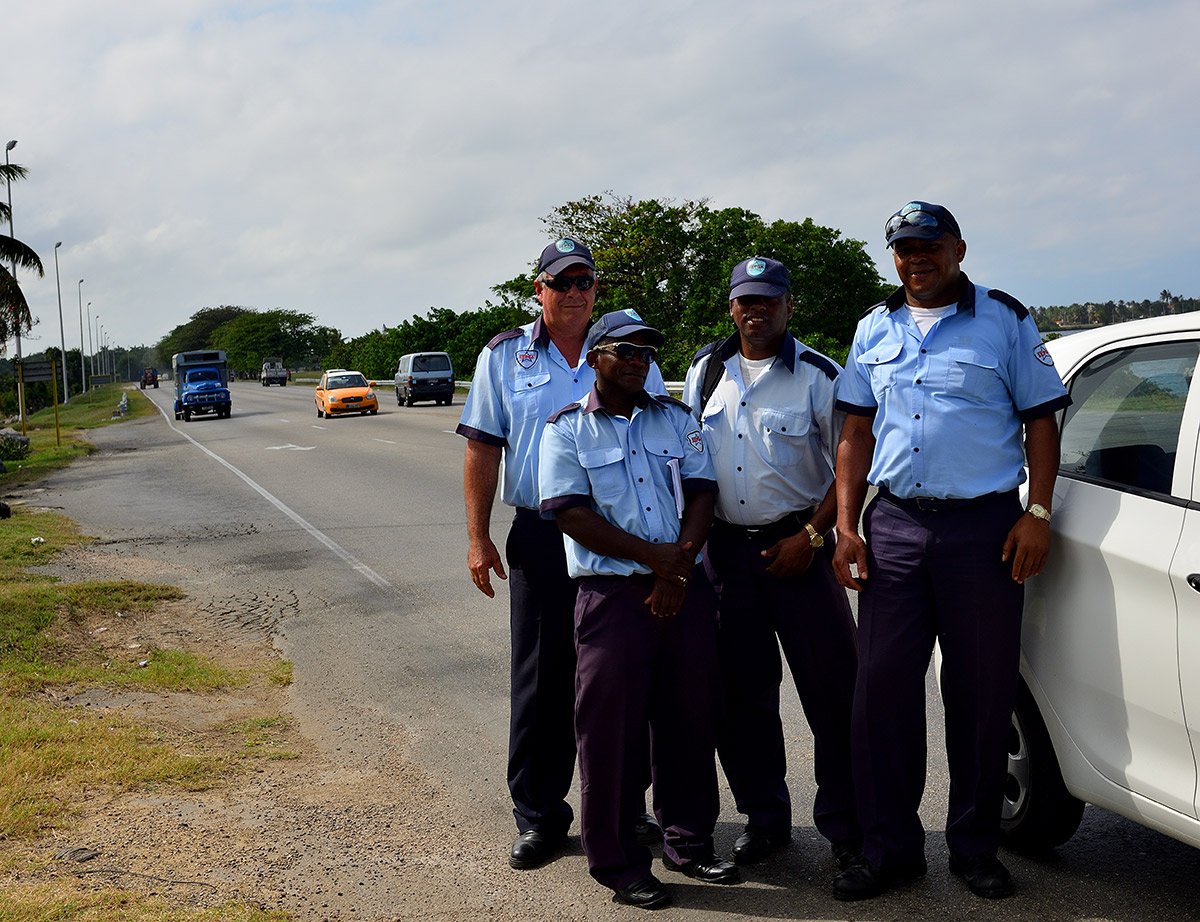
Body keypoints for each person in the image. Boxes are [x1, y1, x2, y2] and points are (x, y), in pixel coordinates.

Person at [830, 202, 1070, 901]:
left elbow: (1041, 424)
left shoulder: (1003, 320)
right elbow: (854, 433)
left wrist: (1038, 512)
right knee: (881, 693)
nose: (917, 258)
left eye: (930, 245)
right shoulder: (874, 327)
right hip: (896, 528)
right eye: (904, 248)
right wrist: (847, 526)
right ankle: (891, 850)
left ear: (957, 248)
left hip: (984, 532)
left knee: (982, 692)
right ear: (894, 257)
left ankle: (974, 847)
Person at [456, 239, 665, 870]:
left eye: (586, 281)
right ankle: (541, 816)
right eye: (563, 281)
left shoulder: (628, 348)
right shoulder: (505, 357)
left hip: (623, 537)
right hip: (545, 535)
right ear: (539, 289)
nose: (575, 292)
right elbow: (483, 447)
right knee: (543, 681)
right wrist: (477, 537)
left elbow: (662, 440)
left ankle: (628, 806)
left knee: (623, 678)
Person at [539, 310, 738, 910]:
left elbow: (703, 491)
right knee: (610, 733)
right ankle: (618, 860)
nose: (637, 361)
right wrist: (659, 563)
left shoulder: (677, 419)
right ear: (595, 358)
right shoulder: (566, 430)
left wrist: (678, 564)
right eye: (624, 351)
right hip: (613, 599)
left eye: (646, 352)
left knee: (689, 719)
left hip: (683, 590)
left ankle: (689, 841)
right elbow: (570, 513)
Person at [682, 256, 861, 873]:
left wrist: (814, 536)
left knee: (834, 695)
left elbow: (849, 467)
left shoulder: (819, 375)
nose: (754, 309)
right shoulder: (705, 370)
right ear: (730, 305)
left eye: (767, 299)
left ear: (789, 305)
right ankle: (765, 821)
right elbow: (693, 460)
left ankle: (846, 829)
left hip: (800, 553)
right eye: (743, 299)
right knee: (741, 700)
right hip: (728, 556)